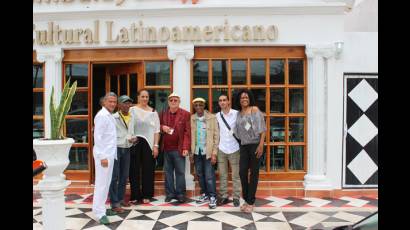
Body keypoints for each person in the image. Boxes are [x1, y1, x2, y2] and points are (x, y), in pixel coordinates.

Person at [233, 89, 266, 213]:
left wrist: (261, 145)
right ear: (239, 100)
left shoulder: (254, 110)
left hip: (255, 145)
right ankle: (247, 199)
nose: (244, 99)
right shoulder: (238, 113)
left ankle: (250, 201)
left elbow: (262, 128)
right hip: (244, 146)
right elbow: (237, 130)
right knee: (242, 172)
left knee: (254, 174)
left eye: (246, 97)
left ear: (249, 98)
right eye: (242, 98)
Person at [128, 89, 160, 204]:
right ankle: (135, 195)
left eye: (146, 97)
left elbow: (157, 130)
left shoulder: (153, 112)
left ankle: (147, 194)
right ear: (138, 97)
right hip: (134, 142)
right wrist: (129, 139)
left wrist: (156, 146)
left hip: (149, 143)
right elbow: (128, 126)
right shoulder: (132, 110)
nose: (145, 99)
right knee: (134, 170)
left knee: (148, 169)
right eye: (142, 96)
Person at [159, 92, 191, 203]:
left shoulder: (186, 114)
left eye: (175, 100)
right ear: (168, 102)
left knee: (180, 172)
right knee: (168, 173)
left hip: (179, 149)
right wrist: (162, 127)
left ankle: (181, 194)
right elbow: (157, 125)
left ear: (179, 102)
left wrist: (186, 147)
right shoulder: (163, 113)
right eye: (171, 100)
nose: (173, 102)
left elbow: (187, 132)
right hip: (166, 149)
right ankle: (170, 193)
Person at [92, 92, 118, 225]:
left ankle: (101, 208)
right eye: (110, 101)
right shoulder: (102, 116)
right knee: (101, 184)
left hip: (110, 154)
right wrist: (102, 156)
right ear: (104, 102)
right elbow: (98, 137)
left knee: (106, 184)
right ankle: (99, 213)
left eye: (114, 101)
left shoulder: (110, 116)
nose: (113, 104)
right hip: (103, 155)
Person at [190, 97, 219, 209]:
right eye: (196, 105)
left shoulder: (212, 118)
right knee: (200, 174)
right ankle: (205, 194)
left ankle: (212, 196)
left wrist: (214, 153)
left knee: (209, 175)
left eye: (200, 105)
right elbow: (191, 137)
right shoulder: (192, 118)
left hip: (208, 152)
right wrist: (191, 153)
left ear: (204, 105)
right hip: (197, 152)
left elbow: (216, 136)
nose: (198, 107)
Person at [108, 95, 134, 213]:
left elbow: (131, 132)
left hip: (127, 148)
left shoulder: (132, 116)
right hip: (116, 149)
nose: (127, 105)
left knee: (124, 176)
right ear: (119, 105)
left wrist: (134, 139)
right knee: (115, 177)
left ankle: (121, 198)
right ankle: (114, 203)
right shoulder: (113, 117)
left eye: (129, 103)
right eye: (125, 103)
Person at [215, 93, 241, 207]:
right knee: (223, 175)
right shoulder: (217, 116)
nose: (222, 102)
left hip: (235, 148)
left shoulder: (236, 114)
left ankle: (236, 197)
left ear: (229, 101)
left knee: (236, 175)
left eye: (224, 100)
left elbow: (245, 126)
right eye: (220, 100)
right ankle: (224, 196)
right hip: (222, 148)